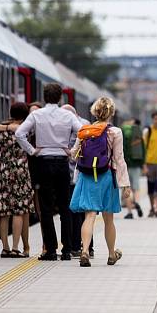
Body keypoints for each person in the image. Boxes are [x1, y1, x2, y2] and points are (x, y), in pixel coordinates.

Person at [11, 84, 82, 261]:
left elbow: (20, 133)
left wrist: (32, 150)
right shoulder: (67, 115)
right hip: (62, 163)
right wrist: (72, 150)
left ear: (44, 97)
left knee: (46, 208)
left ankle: (50, 250)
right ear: (60, 98)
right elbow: (83, 132)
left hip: (43, 162)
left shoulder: (36, 114)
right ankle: (67, 250)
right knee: (65, 207)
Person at [69, 97, 131, 267]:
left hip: (88, 177)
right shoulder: (115, 132)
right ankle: (111, 255)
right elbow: (119, 159)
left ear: (95, 112)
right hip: (106, 176)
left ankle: (84, 252)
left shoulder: (84, 130)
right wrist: (125, 184)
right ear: (111, 113)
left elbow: (74, 154)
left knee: (89, 216)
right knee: (108, 218)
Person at [0, 102, 35, 257]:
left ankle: (5, 247)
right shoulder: (26, 130)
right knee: (19, 211)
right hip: (21, 173)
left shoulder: (2, 132)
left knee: (4, 212)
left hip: (4, 172)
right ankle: (16, 247)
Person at [61, 103, 94, 258]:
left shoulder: (80, 126)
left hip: (74, 174)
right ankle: (88, 247)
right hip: (83, 173)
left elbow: (73, 152)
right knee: (85, 211)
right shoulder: (86, 124)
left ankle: (76, 246)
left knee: (73, 211)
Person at [120, 118, 145, 219]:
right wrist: (143, 163)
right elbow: (143, 149)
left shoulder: (122, 131)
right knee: (136, 187)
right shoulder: (138, 132)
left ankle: (130, 211)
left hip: (125, 164)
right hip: (136, 163)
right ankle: (136, 202)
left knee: (126, 188)